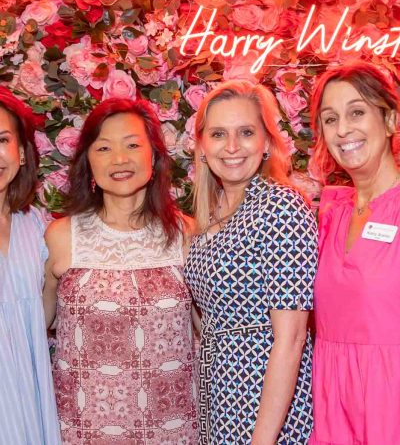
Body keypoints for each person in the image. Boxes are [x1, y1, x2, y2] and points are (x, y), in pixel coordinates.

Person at [43, 98, 198, 444]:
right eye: (104, 148)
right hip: (83, 430)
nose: (119, 159)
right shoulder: (61, 237)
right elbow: (31, 329)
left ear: (154, 157)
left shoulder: (187, 235)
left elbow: (210, 332)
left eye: (132, 145)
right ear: (89, 163)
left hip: (172, 430)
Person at [183, 80, 318, 444]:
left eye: (245, 132)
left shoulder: (280, 207)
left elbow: (291, 338)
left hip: (267, 403)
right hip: (220, 395)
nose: (231, 147)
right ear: (202, 145)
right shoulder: (212, 214)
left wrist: (262, 440)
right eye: (218, 134)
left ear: (267, 143)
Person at [309, 62, 400, 444]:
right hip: (332, 403)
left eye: (357, 112)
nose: (343, 129)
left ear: (391, 119)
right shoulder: (329, 213)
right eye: (330, 119)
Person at [0, 87, 61, 444]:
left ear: (21, 153)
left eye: (2, 139)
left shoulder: (38, 226)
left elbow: (49, 312)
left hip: (29, 394)